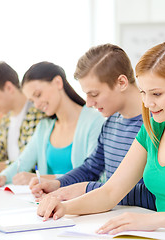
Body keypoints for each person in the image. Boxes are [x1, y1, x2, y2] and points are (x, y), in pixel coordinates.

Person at [37, 40, 165, 234]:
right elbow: (111, 192)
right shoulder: (153, 131)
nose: (147, 104)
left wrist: (158, 220)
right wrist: (64, 207)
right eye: (143, 93)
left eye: (156, 94)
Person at [30, 44, 156, 210]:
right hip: (111, 218)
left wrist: (86, 189)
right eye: (86, 95)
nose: (88, 103)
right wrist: (58, 184)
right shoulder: (111, 122)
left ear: (121, 82)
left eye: (94, 94)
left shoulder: (156, 124)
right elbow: (91, 168)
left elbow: (154, 193)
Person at [0, 61, 105, 187]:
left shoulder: (95, 121)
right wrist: (2, 177)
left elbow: (93, 175)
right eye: (32, 100)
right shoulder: (44, 127)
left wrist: (43, 178)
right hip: (48, 203)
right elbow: (23, 162)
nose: (36, 104)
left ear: (58, 82)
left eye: (38, 95)